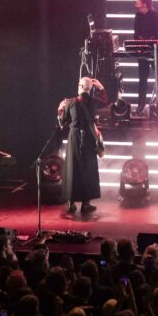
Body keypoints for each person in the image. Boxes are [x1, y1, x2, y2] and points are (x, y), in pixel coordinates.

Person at [58, 77, 105, 215]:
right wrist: (101, 87)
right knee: (88, 170)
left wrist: (60, 109)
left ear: (80, 86)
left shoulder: (70, 102)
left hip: (74, 138)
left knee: (72, 169)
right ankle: (86, 204)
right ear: (90, 89)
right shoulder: (94, 102)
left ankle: (71, 203)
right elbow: (107, 101)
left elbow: (63, 122)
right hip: (89, 138)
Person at [133, 0, 158, 112]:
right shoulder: (138, 16)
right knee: (142, 79)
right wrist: (138, 45)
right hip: (142, 51)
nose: (135, 2)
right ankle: (140, 105)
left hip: (155, 52)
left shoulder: (156, 17)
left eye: (138, 0)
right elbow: (136, 34)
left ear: (144, 3)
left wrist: (152, 44)